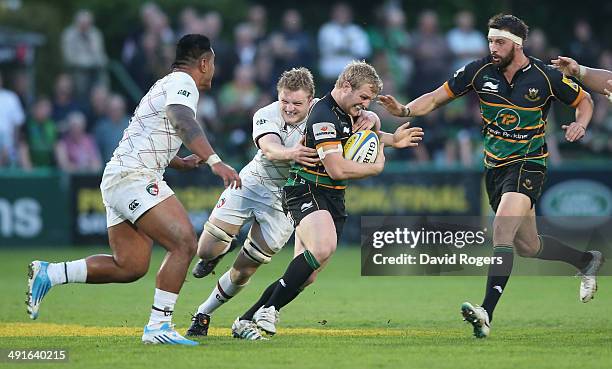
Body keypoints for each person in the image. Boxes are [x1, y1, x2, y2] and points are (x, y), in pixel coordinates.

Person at [378, 14, 603, 338]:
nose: (492, 48)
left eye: (499, 42)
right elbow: (436, 97)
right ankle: (585, 260)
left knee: (500, 230)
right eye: (490, 41)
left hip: (529, 163)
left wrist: (581, 122)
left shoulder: (546, 75)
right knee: (527, 245)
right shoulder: (478, 70)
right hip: (495, 167)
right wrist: (405, 110)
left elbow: (584, 100)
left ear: (517, 45)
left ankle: (486, 312)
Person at [26, 34, 241, 346]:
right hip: (133, 177)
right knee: (183, 243)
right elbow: (181, 120)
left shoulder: (164, 83)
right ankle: (158, 327)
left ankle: (51, 273)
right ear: (205, 62)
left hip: (119, 176)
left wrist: (179, 161)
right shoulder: (184, 82)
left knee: (130, 265)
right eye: (213, 64)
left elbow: (150, 131)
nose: (213, 71)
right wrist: (214, 160)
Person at [185, 66, 423, 340]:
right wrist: (291, 152)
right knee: (206, 248)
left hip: (284, 198)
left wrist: (376, 122)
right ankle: (223, 254)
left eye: (297, 103)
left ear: (311, 100)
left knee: (248, 270)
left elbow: (353, 132)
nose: (289, 107)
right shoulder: (267, 114)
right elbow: (269, 146)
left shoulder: (325, 111)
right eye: (284, 100)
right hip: (255, 183)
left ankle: (207, 313)